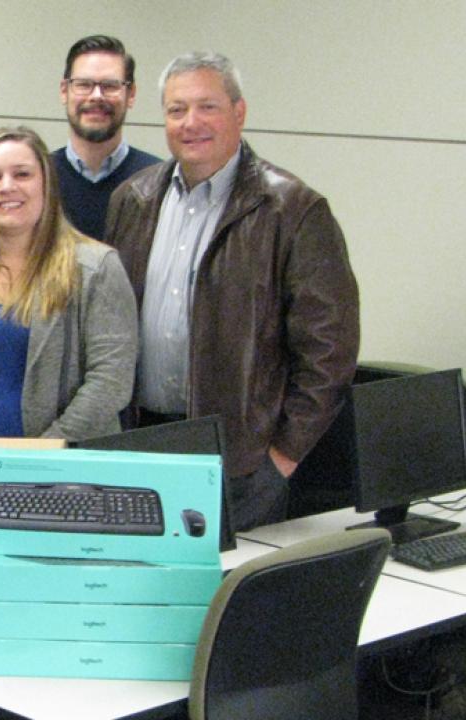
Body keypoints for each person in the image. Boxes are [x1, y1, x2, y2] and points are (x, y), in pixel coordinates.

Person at [104, 51, 360, 531]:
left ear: (239, 112)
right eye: (177, 110)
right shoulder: (133, 200)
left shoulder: (292, 210)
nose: (190, 122)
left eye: (208, 107)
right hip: (139, 444)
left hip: (239, 460)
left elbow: (330, 352)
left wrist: (280, 457)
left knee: (229, 600)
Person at [0, 126, 137, 441]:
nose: (6, 187)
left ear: (46, 184)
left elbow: (111, 379)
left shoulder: (96, 269)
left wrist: (42, 455)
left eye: (22, 174)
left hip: (71, 469)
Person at [54, 35, 160, 241]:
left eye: (110, 86)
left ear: (131, 95)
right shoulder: (38, 179)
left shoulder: (158, 183)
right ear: (64, 92)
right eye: (83, 84)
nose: (96, 96)